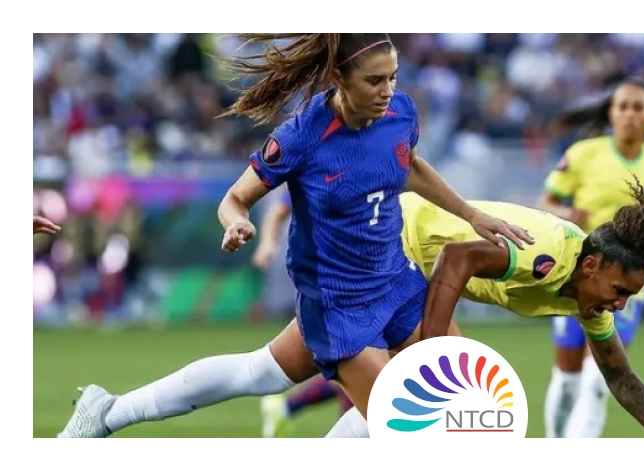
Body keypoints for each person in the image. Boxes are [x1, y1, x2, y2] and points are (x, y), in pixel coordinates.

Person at [57, 33, 531, 438]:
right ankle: (107, 412)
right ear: (339, 79)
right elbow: (234, 198)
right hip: (336, 304)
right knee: (407, 425)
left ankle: (107, 411)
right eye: (374, 81)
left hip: (396, 282)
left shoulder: (401, 113)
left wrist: (471, 214)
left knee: (266, 373)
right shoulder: (302, 136)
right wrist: (237, 222)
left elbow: (409, 166)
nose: (388, 91)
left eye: (393, 77)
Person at [324, 178, 644, 438]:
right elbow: (456, 258)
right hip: (392, 240)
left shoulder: (590, 300)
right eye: (619, 291)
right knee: (445, 404)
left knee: (436, 405)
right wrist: (431, 353)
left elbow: (620, 377)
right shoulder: (548, 253)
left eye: (629, 296)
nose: (620, 305)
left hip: (407, 263)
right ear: (589, 266)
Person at [539, 76, 644, 438]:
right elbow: (546, 203)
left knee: (597, 380)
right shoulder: (582, 154)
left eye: (638, 107)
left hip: (625, 286)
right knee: (568, 379)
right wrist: (568, 214)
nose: (630, 114)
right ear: (611, 113)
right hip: (578, 276)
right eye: (623, 107)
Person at [253, 190, 354, 438]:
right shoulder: (317, 177)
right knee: (359, 361)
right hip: (334, 283)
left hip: (367, 280)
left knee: (360, 364)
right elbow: (277, 212)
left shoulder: (383, 172)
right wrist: (267, 244)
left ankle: (287, 408)